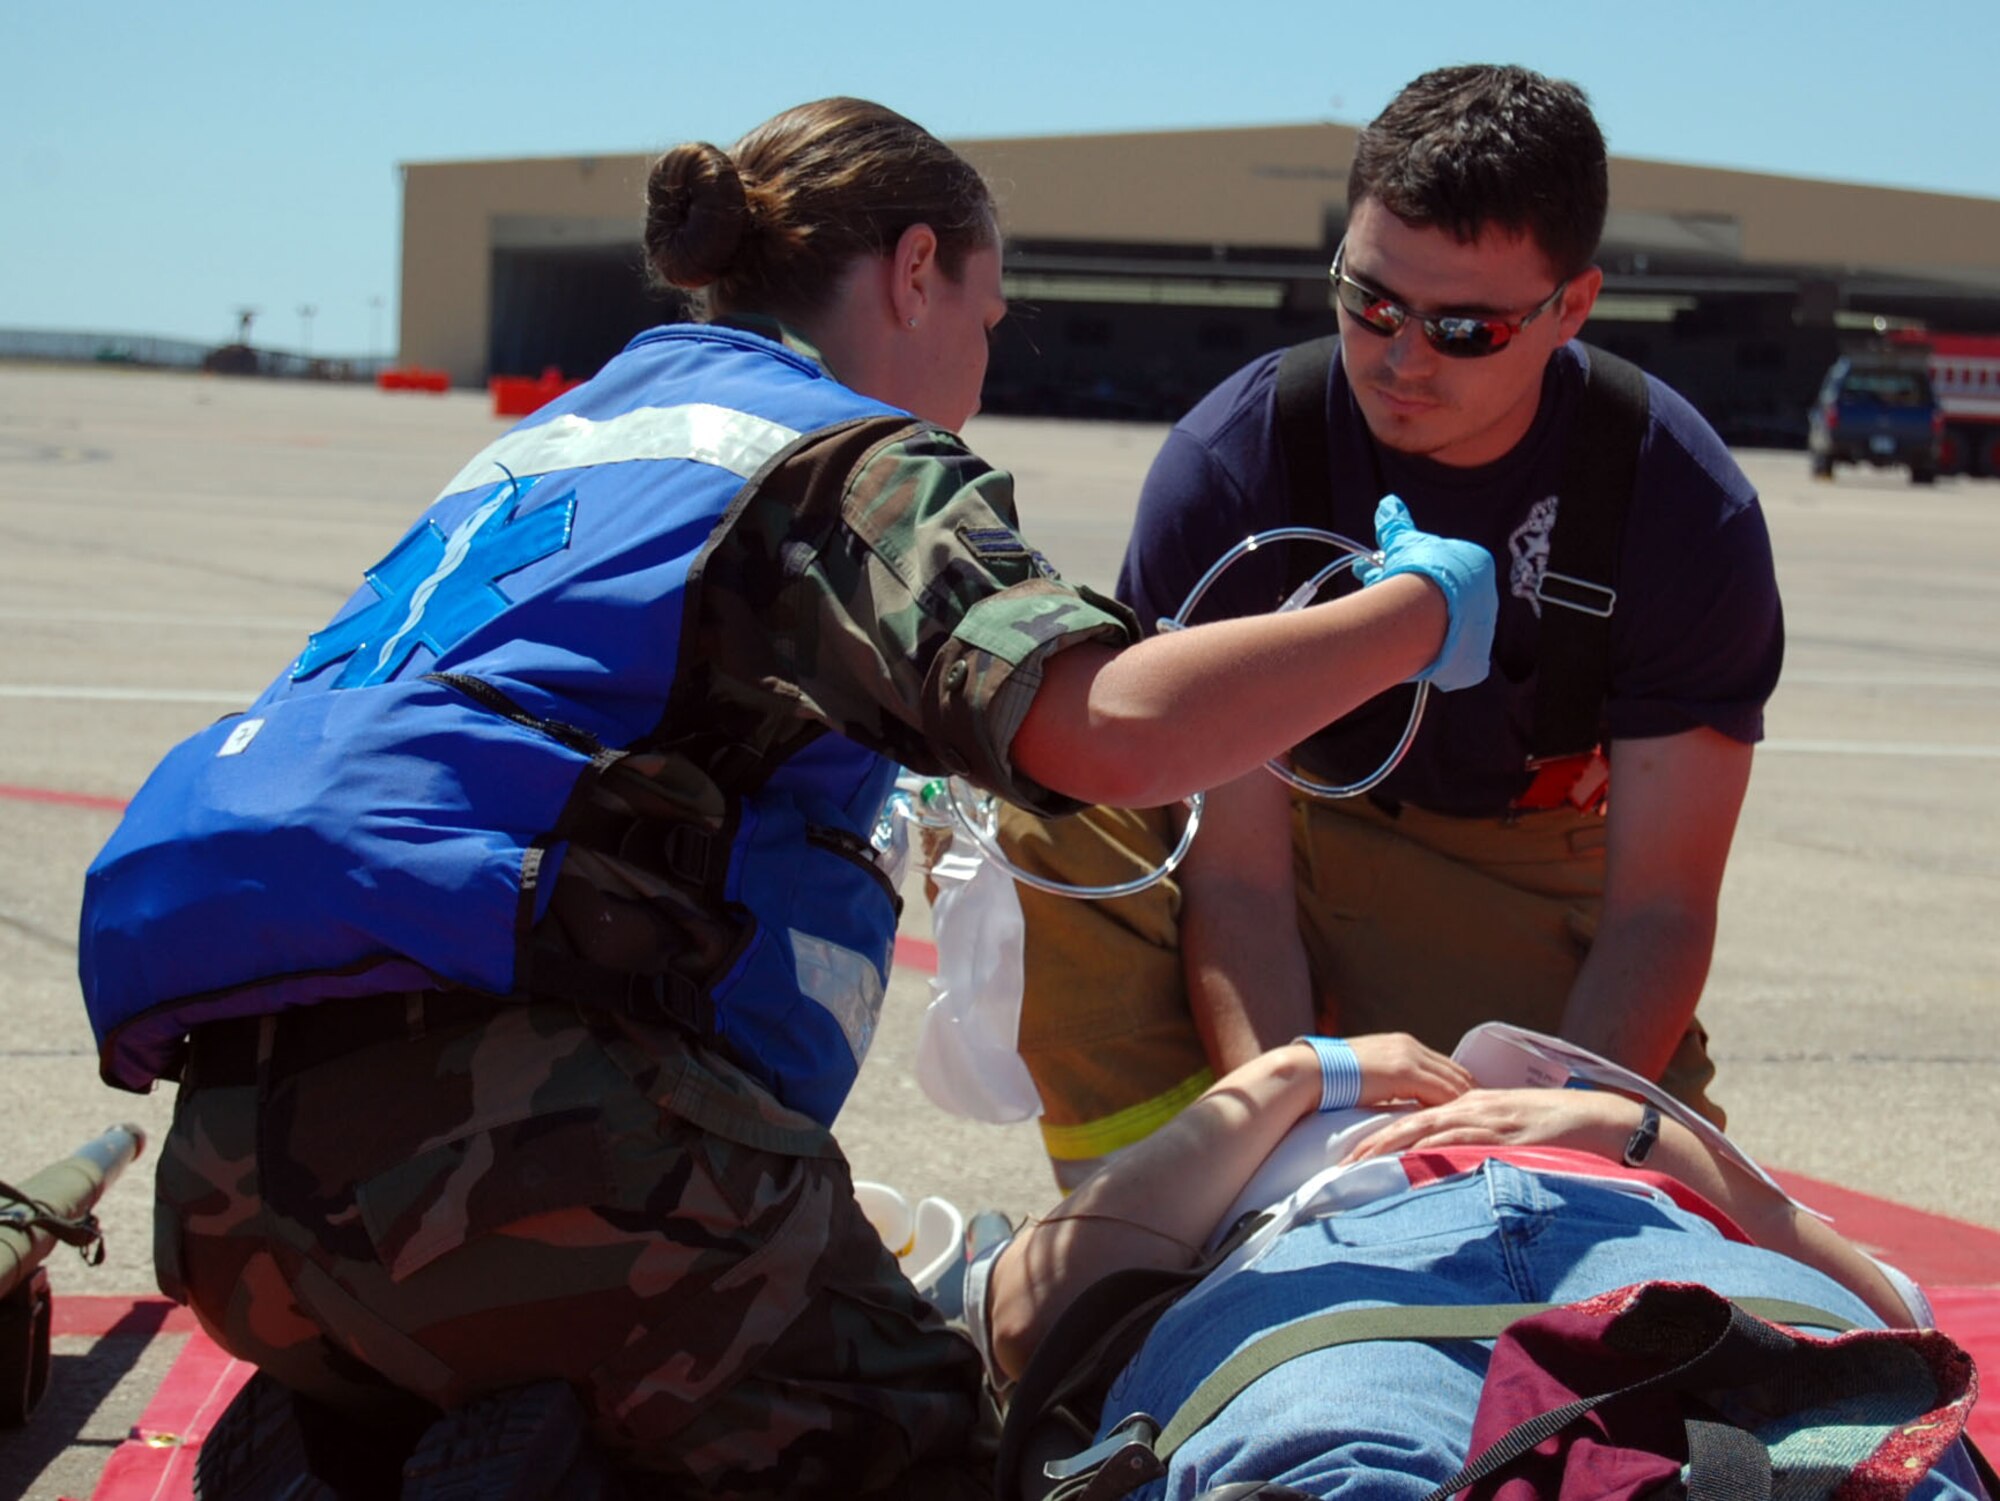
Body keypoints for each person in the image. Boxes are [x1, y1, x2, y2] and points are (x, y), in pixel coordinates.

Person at [75, 100, 1497, 1499]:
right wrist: (1416, 616)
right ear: (915, 270)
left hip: (232, 1193)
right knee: (938, 1451)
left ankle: (383, 1447)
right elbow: (1111, 729)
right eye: (987, 318)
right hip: (527, 1154)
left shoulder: (569, 440)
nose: (979, 366)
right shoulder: (838, 460)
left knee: (599, 1361)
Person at [997, 64, 1783, 1190]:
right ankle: (1156, 1229)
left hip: (1517, 886)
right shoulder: (1236, 465)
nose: (1400, 358)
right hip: (1293, 851)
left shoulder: (1676, 506)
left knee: (1626, 1214)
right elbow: (1238, 884)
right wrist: (1292, 1159)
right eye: (1369, 302)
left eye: (1465, 329)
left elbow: (1658, 911)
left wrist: (1557, 1138)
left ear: (1570, 308)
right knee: (1063, 804)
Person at [977, 1036, 1989, 1499]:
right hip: (1359, 1262)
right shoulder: (1281, 1145)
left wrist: (1638, 1134)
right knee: (1849, 1446)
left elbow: (1890, 1313)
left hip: (1639, 1240)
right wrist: (1296, 1074)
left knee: (1858, 1440)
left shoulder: (1647, 1149)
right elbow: (1028, 1304)